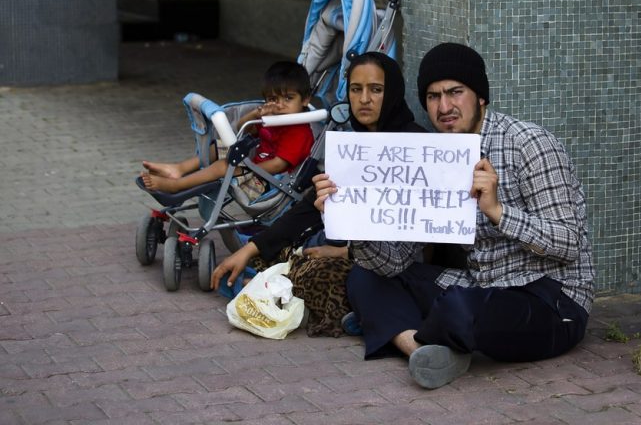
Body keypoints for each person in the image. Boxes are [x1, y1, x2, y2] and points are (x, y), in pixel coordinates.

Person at [313, 42, 595, 389]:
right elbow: (395, 261)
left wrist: (497, 212)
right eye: (433, 96)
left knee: (460, 309)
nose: (444, 107)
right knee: (365, 275)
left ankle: (396, 326)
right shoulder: (436, 157)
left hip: (551, 299)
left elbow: (568, 244)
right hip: (480, 285)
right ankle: (417, 346)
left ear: (480, 97)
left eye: (455, 92)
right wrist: (352, 217)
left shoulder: (529, 144)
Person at [210, 51, 426, 336]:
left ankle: (354, 312)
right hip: (349, 248)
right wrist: (249, 249)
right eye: (355, 89)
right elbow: (307, 206)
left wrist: (345, 253)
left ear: (394, 92)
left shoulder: (418, 146)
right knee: (272, 255)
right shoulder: (350, 143)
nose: (363, 99)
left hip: (391, 262)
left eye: (376, 90)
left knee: (326, 276)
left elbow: (412, 239)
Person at [140, 61, 315, 200]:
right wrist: (256, 114)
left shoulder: (299, 131)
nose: (280, 105)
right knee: (220, 146)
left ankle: (176, 186)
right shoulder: (274, 119)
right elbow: (242, 128)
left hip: (270, 184)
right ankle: (179, 168)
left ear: (305, 100)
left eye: (288, 98)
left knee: (225, 166)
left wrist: (246, 167)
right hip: (258, 170)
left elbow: (279, 164)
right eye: (273, 99)